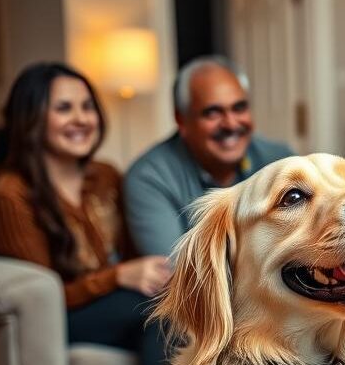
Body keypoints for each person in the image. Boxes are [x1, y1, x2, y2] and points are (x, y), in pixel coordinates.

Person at [0, 63, 172, 365]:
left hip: (114, 308)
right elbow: (41, 298)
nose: (81, 119)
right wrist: (117, 276)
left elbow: (135, 257)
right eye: (64, 108)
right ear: (31, 118)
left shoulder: (106, 176)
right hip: (57, 318)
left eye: (87, 106)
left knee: (177, 303)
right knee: (159, 312)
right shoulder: (10, 194)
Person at [124, 55, 295, 257]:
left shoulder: (280, 158)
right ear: (181, 120)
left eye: (239, 107)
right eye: (212, 113)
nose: (231, 124)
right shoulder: (149, 177)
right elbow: (175, 275)